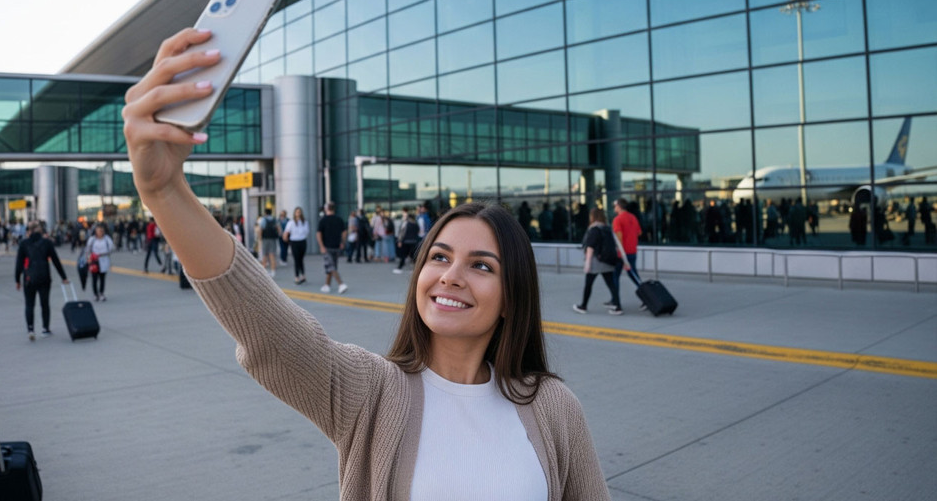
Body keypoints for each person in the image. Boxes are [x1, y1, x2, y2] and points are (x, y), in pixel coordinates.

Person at [123, 31, 609, 498]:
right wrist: (165, 193)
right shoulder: (373, 392)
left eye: (481, 266)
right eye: (438, 257)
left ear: (512, 298)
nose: (451, 276)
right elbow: (268, 330)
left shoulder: (551, 407)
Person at [15, 221, 69, 340]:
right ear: (40, 230)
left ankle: (30, 329)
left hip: (29, 277)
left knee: (29, 304)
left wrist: (17, 280)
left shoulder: (24, 244)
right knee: (45, 304)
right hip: (44, 276)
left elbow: (19, 264)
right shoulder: (47, 243)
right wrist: (63, 277)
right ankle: (45, 329)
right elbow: (55, 261)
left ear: (29, 231)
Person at [574, 208, 622, 316]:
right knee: (611, 284)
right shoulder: (607, 228)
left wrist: (587, 264)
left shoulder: (594, 229)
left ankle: (583, 306)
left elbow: (590, 248)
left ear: (593, 216)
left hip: (596, 262)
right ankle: (618, 306)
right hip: (607, 261)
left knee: (588, 285)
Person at [611, 198, 641, 309]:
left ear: (619, 206)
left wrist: (618, 251)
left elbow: (619, 236)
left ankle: (615, 301)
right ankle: (646, 296)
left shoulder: (617, 219)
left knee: (615, 276)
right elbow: (639, 232)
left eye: (615, 206)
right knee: (633, 275)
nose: (614, 208)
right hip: (632, 251)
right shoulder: (633, 217)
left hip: (622, 253)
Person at [316, 202, 349, 294]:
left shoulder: (323, 220)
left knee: (331, 267)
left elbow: (318, 234)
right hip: (336, 246)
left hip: (327, 247)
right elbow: (344, 232)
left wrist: (321, 246)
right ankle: (327, 285)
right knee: (332, 266)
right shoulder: (339, 219)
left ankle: (341, 284)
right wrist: (342, 242)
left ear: (326, 209)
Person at [85, 224, 114, 302]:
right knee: (94, 278)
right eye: (98, 230)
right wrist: (88, 258)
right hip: (94, 260)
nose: (100, 232)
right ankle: (95, 294)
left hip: (103, 259)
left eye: (101, 230)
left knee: (102, 278)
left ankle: (101, 293)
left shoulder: (107, 239)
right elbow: (87, 249)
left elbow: (111, 248)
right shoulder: (92, 239)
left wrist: (105, 253)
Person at [282, 206, 310, 285]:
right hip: (294, 242)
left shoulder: (304, 222)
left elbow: (307, 232)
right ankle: (297, 276)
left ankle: (303, 275)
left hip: (302, 241)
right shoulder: (291, 222)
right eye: (297, 212)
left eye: (299, 212)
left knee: (301, 259)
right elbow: (286, 233)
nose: (298, 213)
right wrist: (288, 240)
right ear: (295, 213)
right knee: (296, 260)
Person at [394, 209, 420, 273]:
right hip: (414, 241)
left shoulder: (406, 223)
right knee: (412, 256)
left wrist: (400, 241)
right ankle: (414, 269)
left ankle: (399, 268)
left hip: (406, 242)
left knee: (403, 255)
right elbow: (418, 231)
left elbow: (402, 232)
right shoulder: (416, 224)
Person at [258, 208, 278, 276]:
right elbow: (278, 228)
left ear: (265, 213)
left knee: (265, 255)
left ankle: (264, 272)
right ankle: (273, 272)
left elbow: (261, 229)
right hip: (273, 239)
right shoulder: (274, 219)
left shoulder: (263, 219)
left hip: (265, 239)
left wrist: (260, 238)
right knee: (272, 255)